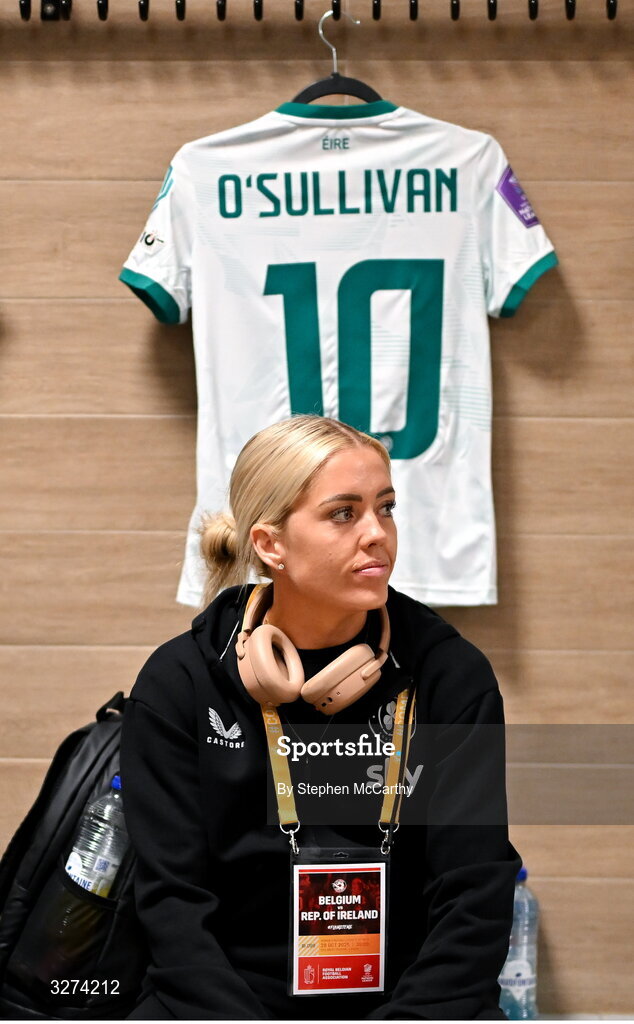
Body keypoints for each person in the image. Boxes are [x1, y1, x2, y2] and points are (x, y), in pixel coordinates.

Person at [120, 414, 521, 1020]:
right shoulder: (180, 683)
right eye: (343, 513)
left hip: (409, 1001)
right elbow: (173, 906)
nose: (377, 535)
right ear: (269, 543)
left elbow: (474, 893)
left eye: (385, 509)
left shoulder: (449, 677)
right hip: (226, 1002)